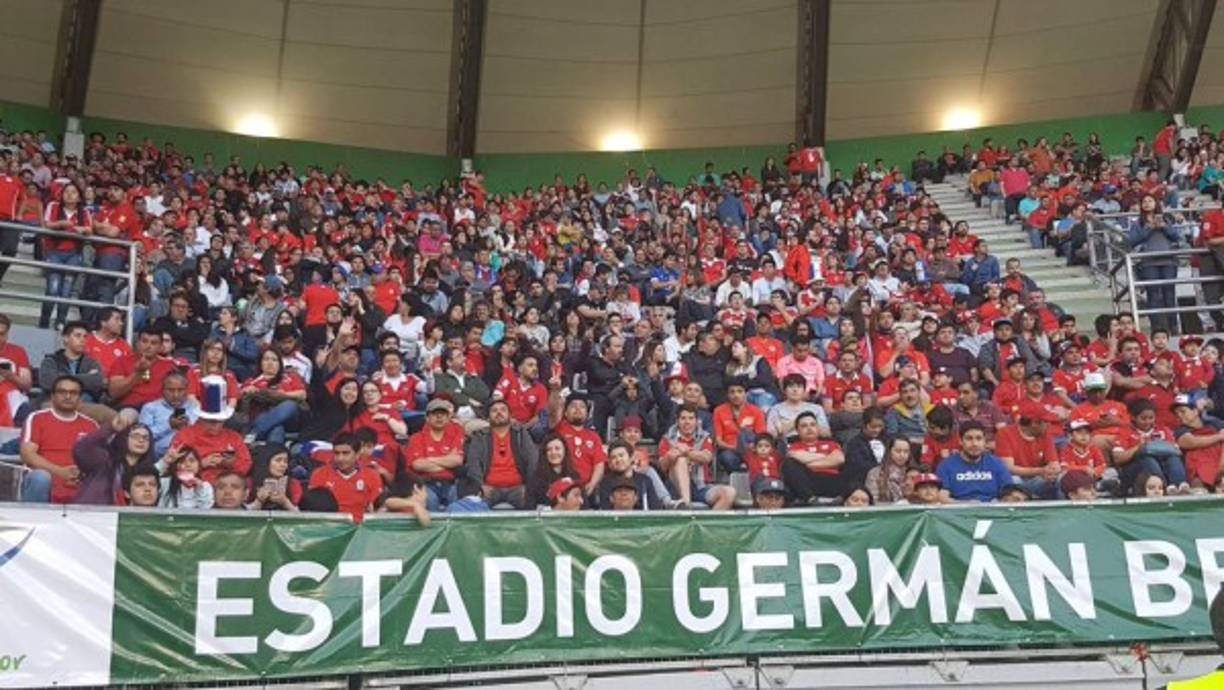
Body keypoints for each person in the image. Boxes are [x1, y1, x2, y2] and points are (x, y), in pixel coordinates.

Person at [19, 375, 100, 503]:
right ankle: (34, 521)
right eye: (62, 392)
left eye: (73, 393)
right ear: (52, 396)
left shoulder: (91, 425)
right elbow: (27, 455)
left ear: (80, 398)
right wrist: (59, 472)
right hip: (45, 484)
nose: (68, 396)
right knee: (41, 477)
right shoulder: (37, 418)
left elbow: (98, 461)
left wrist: (82, 474)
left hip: (79, 483)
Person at [167, 375, 252, 484]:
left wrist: (230, 464)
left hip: (227, 486)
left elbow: (246, 464)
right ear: (202, 418)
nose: (215, 425)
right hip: (193, 487)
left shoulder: (234, 437)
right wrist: (200, 464)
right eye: (210, 421)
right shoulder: (185, 435)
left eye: (220, 421)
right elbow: (173, 467)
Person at [464, 397, 539, 509]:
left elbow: (533, 459)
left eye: (503, 410)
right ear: (488, 417)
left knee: (532, 502)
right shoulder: (480, 436)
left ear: (510, 415)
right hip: (489, 488)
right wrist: (480, 486)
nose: (499, 413)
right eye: (494, 411)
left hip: (518, 488)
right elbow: (473, 462)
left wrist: (528, 486)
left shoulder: (520, 434)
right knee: (474, 506)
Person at [658, 405, 736, 510]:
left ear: (696, 421)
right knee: (680, 461)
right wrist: (670, 456)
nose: (687, 422)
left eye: (691, 418)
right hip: (675, 488)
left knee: (729, 492)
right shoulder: (667, 439)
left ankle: (707, 525)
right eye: (683, 418)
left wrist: (687, 452)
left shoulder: (704, 437)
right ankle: (686, 506)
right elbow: (662, 467)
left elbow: (706, 457)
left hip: (701, 486)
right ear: (677, 420)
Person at [72, 408, 154, 505]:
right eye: (136, 436)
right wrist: (111, 427)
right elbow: (82, 449)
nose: (141, 440)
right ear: (123, 438)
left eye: (145, 438)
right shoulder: (105, 461)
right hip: (92, 515)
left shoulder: (150, 471)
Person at [308, 432, 383, 521]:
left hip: (360, 527)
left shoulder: (371, 476)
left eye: (345, 453)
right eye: (337, 453)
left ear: (357, 454)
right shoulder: (320, 474)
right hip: (329, 525)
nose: (340, 458)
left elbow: (375, 508)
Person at [406, 398, 465, 511]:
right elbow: (418, 465)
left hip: (450, 483)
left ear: (448, 418)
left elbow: (457, 460)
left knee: (457, 508)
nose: (439, 417)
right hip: (426, 483)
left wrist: (428, 459)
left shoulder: (454, 435)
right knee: (431, 503)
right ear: (427, 418)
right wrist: (447, 461)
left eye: (443, 414)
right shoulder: (416, 438)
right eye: (435, 414)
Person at [995, 400, 1062, 500]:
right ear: (1034, 423)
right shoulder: (1005, 433)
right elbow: (1009, 468)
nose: (1048, 425)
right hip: (1018, 482)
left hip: (1038, 480)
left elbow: (1054, 464)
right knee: (1014, 480)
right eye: (1045, 422)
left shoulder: (1045, 434)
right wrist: (1041, 471)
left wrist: (1052, 472)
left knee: (1061, 478)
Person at [936, 421, 1016, 502]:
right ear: (960, 441)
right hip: (959, 511)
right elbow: (942, 497)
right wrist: (966, 505)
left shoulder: (996, 463)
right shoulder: (946, 466)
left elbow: (1009, 493)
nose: (974, 443)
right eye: (969, 438)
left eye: (979, 438)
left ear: (984, 441)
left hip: (991, 510)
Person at [781, 411, 847, 503]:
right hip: (808, 481)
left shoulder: (831, 443)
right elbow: (794, 456)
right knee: (789, 464)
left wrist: (807, 464)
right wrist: (827, 457)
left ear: (817, 427)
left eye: (812, 425)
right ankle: (810, 499)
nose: (809, 428)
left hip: (832, 479)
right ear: (797, 431)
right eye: (804, 426)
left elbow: (839, 459)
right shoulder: (794, 446)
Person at [37, 321, 106, 404]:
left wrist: (61, 377)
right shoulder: (50, 361)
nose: (82, 340)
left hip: (85, 405)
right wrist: (85, 378)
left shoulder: (92, 363)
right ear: (66, 338)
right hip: (55, 403)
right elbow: (47, 382)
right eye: (78, 336)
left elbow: (97, 382)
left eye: (85, 337)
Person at [139, 372, 199, 457]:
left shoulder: (196, 409)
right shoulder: (150, 408)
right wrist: (169, 425)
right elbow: (142, 436)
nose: (176, 395)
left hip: (189, 457)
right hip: (158, 458)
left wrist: (189, 426)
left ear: (187, 390)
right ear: (163, 390)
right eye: (171, 390)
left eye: (180, 390)